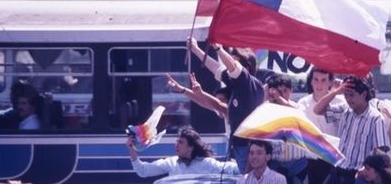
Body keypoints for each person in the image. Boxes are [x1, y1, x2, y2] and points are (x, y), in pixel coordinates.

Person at [186, 37, 265, 174]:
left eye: (232, 62)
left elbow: (232, 67)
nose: (228, 69)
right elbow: (216, 68)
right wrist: (196, 50)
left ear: (245, 68)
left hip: (250, 149)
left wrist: (218, 48)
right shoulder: (237, 86)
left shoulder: (251, 85)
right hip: (241, 147)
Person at [314, 74, 389, 184]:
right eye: (345, 95)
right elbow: (317, 110)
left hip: (358, 176)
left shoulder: (375, 118)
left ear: (363, 94)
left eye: (352, 95)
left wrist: (367, 169)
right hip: (337, 169)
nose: (348, 99)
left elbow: (381, 151)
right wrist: (335, 92)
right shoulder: (344, 110)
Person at [126, 125, 240, 178]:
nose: (176, 145)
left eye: (181, 142)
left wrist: (247, 164)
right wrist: (131, 149)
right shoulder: (170, 163)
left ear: (190, 147)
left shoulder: (207, 163)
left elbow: (230, 168)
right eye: (177, 141)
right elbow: (143, 171)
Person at [296, 67, 346, 184]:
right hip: (310, 161)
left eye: (323, 80)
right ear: (311, 81)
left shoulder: (341, 102)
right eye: (316, 79)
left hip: (334, 161)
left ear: (330, 82)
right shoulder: (303, 103)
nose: (319, 84)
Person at [264, 73, 308, 184]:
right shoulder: (266, 108)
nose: (282, 94)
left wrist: (279, 99)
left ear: (291, 90)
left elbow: (298, 116)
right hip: (275, 162)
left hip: (298, 163)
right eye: (278, 91)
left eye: (285, 90)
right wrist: (266, 93)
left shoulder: (298, 107)